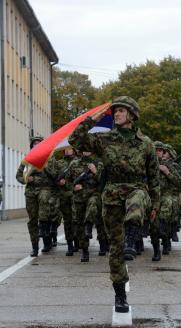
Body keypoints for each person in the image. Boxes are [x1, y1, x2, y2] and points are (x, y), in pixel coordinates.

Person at [68, 96, 160, 313]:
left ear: (131, 115)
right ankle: (120, 296)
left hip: (136, 188)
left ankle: (132, 239)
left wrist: (155, 205)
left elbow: (154, 178)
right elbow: (75, 139)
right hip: (111, 197)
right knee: (116, 252)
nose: (116, 114)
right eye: (115, 111)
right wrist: (94, 118)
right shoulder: (105, 139)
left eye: (120, 111)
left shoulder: (146, 144)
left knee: (137, 198)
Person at [16, 136, 54, 256]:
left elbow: (55, 175)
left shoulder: (49, 158)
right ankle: (35, 247)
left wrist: (45, 165)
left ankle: (47, 240)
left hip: (44, 189)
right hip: (31, 192)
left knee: (43, 216)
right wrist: (27, 179)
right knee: (32, 220)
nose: (36, 145)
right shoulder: (28, 160)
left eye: (39, 143)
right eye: (34, 144)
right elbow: (19, 176)